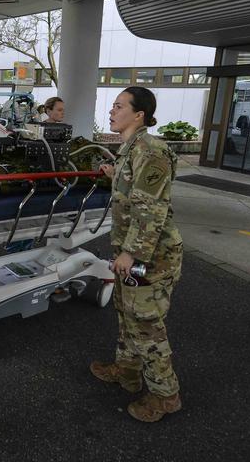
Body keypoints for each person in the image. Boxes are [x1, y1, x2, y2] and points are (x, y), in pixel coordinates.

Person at [89, 86, 184, 423]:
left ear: (139, 114)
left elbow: (151, 209)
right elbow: (136, 187)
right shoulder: (130, 150)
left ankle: (165, 395)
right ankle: (128, 371)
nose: (112, 111)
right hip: (136, 254)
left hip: (151, 256)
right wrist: (114, 175)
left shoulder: (151, 150)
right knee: (127, 312)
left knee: (146, 324)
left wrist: (132, 253)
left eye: (118, 106)